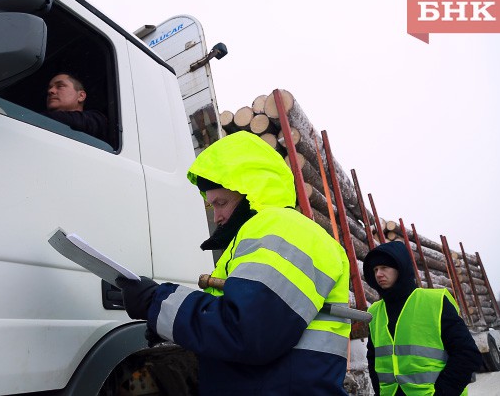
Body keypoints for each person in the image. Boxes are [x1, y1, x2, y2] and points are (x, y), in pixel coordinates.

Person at [117, 131, 351, 395]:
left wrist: (157, 302)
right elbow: (241, 317)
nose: (216, 217)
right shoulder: (258, 236)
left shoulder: (283, 229)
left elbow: (250, 331)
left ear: (252, 192)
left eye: (221, 203)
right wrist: (171, 325)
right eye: (211, 206)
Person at [363, 241, 482, 396]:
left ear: (400, 268)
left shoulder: (435, 302)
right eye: (375, 269)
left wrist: (442, 393)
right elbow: (373, 361)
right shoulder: (375, 311)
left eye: (384, 267)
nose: (378, 274)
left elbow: (467, 354)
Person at [44, 73, 117, 148]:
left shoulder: (96, 120)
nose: (50, 91)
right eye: (50, 88)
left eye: (60, 86)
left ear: (81, 96)